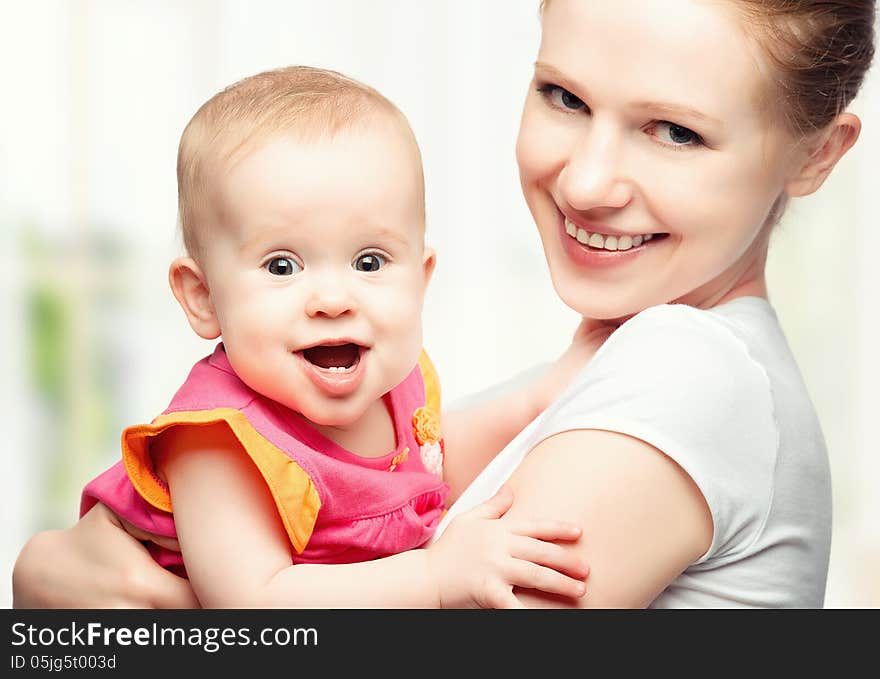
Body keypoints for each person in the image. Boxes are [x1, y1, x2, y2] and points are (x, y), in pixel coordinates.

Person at [13, 0, 875, 608]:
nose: (585, 179)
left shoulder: (692, 372)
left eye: (675, 130)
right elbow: (419, 479)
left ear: (815, 156)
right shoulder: (625, 363)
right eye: (564, 97)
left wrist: (66, 614)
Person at [20, 65, 596, 609]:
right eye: (281, 266)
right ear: (203, 297)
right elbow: (257, 603)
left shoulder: (398, 378)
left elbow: (430, 459)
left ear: (421, 281)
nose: (332, 299)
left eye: (369, 262)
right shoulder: (219, 442)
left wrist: (539, 402)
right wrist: (438, 575)